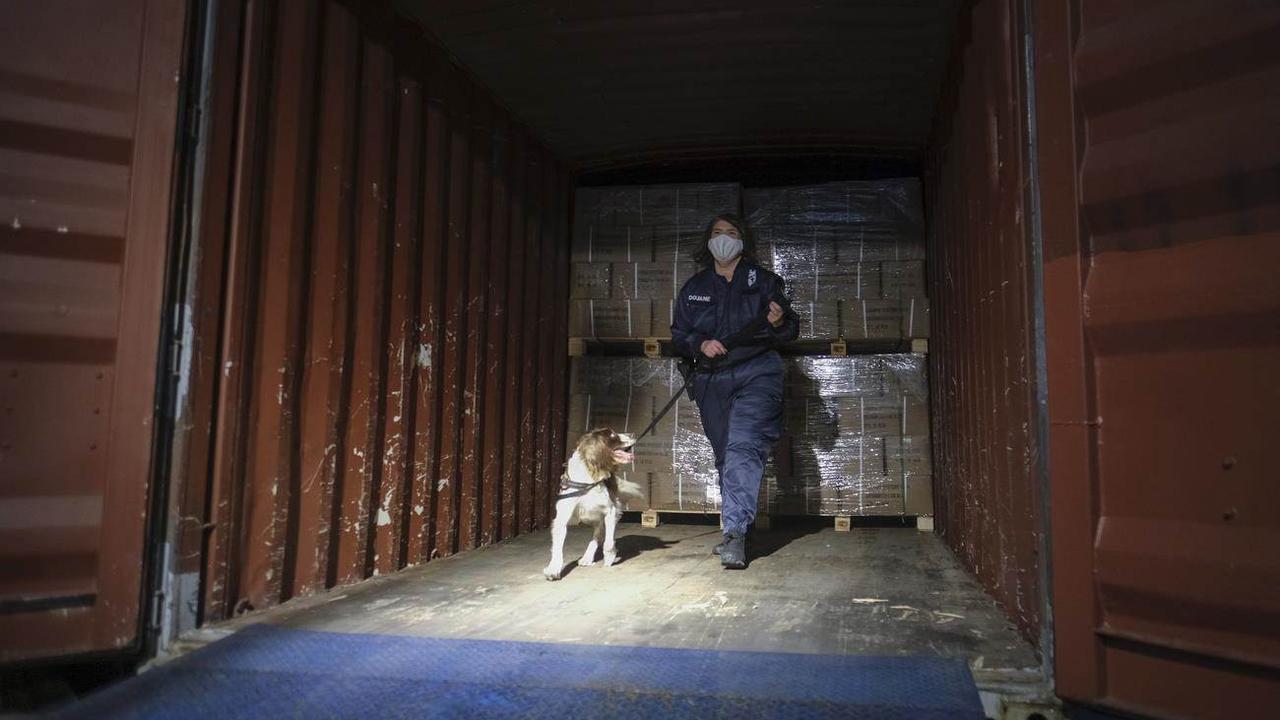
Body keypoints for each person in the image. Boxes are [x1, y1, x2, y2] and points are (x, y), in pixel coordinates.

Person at [670, 214, 799, 569]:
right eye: (716, 233)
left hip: (757, 372)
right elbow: (678, 334)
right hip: (712, 379)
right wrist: (700, 343)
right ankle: (737, 529)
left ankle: (735, 534)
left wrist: (778, 321)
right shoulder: (694, 287)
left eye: (731, 233)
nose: (723, 239)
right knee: (726, 455)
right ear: (707, 241)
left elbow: (790, 330)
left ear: (743, 241)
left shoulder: (766, 282)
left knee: (744, 445)